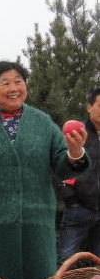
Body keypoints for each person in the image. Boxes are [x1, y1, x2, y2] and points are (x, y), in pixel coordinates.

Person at [0, 61, 89, 279]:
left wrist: (75, 151)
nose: (13, 87)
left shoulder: (42, 122)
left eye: (19, 81)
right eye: (5, 83)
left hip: (36, 225)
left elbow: (64, 165)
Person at [56, 86, 100, 262]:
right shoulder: (76, 134)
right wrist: (70, 198)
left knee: (98, 265)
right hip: (78, 210)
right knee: (65, 261)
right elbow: (58, 167)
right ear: (89, 107)